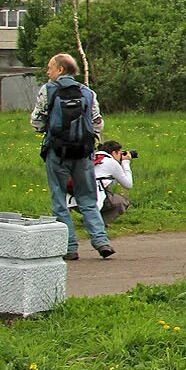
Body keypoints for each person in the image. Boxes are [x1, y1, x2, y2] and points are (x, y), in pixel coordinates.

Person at [31, 53, 114, 261]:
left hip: (57, 152)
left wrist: (46, 129)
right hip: (84, 153)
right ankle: (101, 240)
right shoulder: (87, 93)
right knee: (88, 198)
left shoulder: (47, 90)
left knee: (59, 199)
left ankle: (70, 247)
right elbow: (98, 123)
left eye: (50, 67)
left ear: (60, 70)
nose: (47, 71)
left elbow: (37, 121)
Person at [91, 141, 135, 226]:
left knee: (106, 192)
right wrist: (126, 163)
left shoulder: (92, 157)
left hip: (75, 199)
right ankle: (97, 224)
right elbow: (128, 185)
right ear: (114, 152)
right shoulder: (111, 162)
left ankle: (92, 218)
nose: (121, 156)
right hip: (94, 198)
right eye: (120, 153)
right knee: (123, 202)